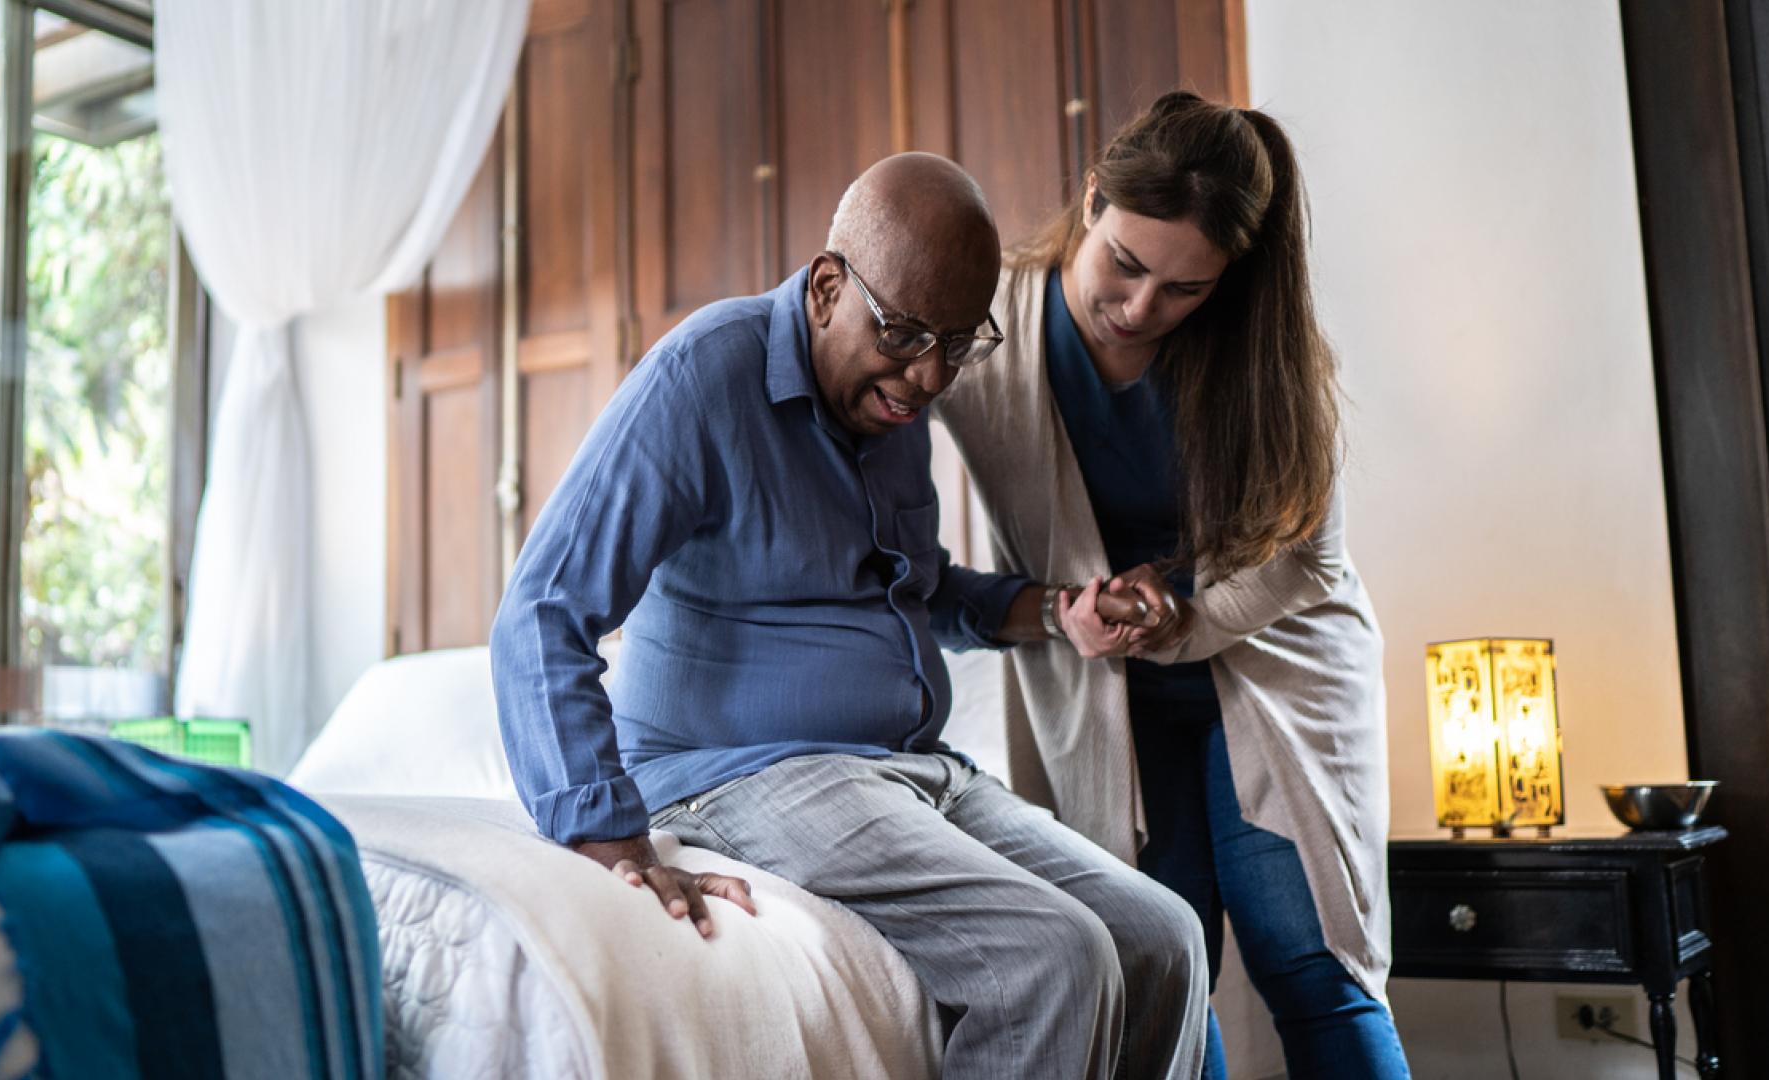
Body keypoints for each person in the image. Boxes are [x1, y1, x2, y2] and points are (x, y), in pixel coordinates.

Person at [491, 152, 1209, 1079]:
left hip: (910, 769)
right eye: (907, 334)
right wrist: (606, 834)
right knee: (1052, 956)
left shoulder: (889, 412)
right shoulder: (704, 378)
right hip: (740, 773)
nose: (928, 376)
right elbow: (543, 609)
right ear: (829, 286)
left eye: (959, 343)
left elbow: (919, 588)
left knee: (1164, 935)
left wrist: (1053, 612)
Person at [932, 92, 1411, 1078]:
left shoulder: (1263, 356)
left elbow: (1306, 557)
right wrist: (1061, 616)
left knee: (1310, 964)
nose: (1140, 308)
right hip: (1104, 691)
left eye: (1183, 291)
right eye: (1125, 263)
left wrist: (1174, 623)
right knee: (1160, 968)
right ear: (1092, 200)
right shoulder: (985, 335)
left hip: (1274, 666)